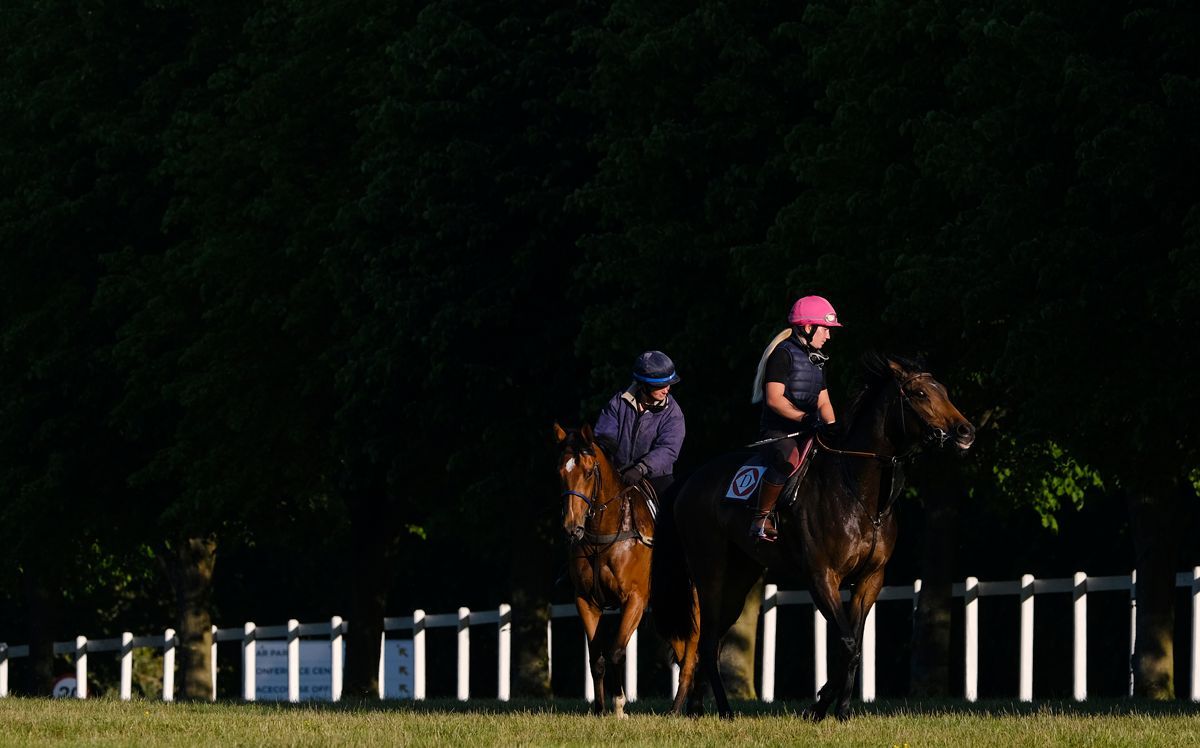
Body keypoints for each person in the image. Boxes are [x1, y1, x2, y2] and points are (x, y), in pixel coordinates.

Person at [747, 295, 842, 542]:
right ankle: (760, 518)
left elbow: (824, 402)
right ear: (808, 327)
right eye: (825, 330)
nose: (828, 336)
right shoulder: (783, 354)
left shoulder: (817, 361)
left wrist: (833, 429)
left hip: (808, 430)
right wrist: (805, 419)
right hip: (779, 433)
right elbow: (774, 399)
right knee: (789, 459)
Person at [594, 350, 685, 497]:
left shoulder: (673, 413)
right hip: (618, 472)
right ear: (643, 385)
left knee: (670, 510)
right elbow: (605, 436)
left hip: (656, 477)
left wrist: (641, 468)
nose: (667, 389)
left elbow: (668, 449)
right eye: (662, 385)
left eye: (669, 384)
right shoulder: (618, 402)